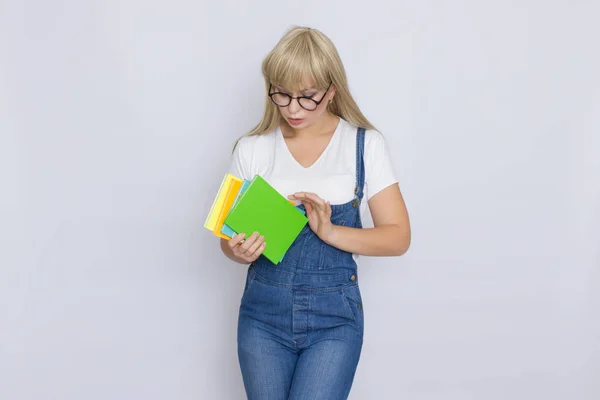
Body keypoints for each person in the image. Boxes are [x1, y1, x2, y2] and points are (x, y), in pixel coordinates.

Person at [219, 25, 411, 400]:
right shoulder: (250, 149)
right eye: (282, 94)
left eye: (307, 97)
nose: (292, 109)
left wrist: (331, 233)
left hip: (334, 320)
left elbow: (398, 237)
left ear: (331, 90)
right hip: (262, 319)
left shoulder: (364, 145)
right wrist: (236, 250)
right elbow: (225, 238)